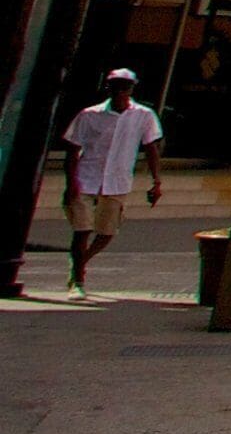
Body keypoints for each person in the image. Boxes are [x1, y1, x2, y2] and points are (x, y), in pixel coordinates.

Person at [57, 70, 164, 299]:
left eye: (125, 86)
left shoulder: (143, 116)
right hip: (87, 177)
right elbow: (73, 150)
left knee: (107, 231)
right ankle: (78, 279)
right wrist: (71, 182)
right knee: (82, 229)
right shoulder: (89, 115)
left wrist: (156, 182)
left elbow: (151, 148)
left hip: (116, 180)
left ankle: (80, 263)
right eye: (116, 86)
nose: (120, 91)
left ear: (132, 89)